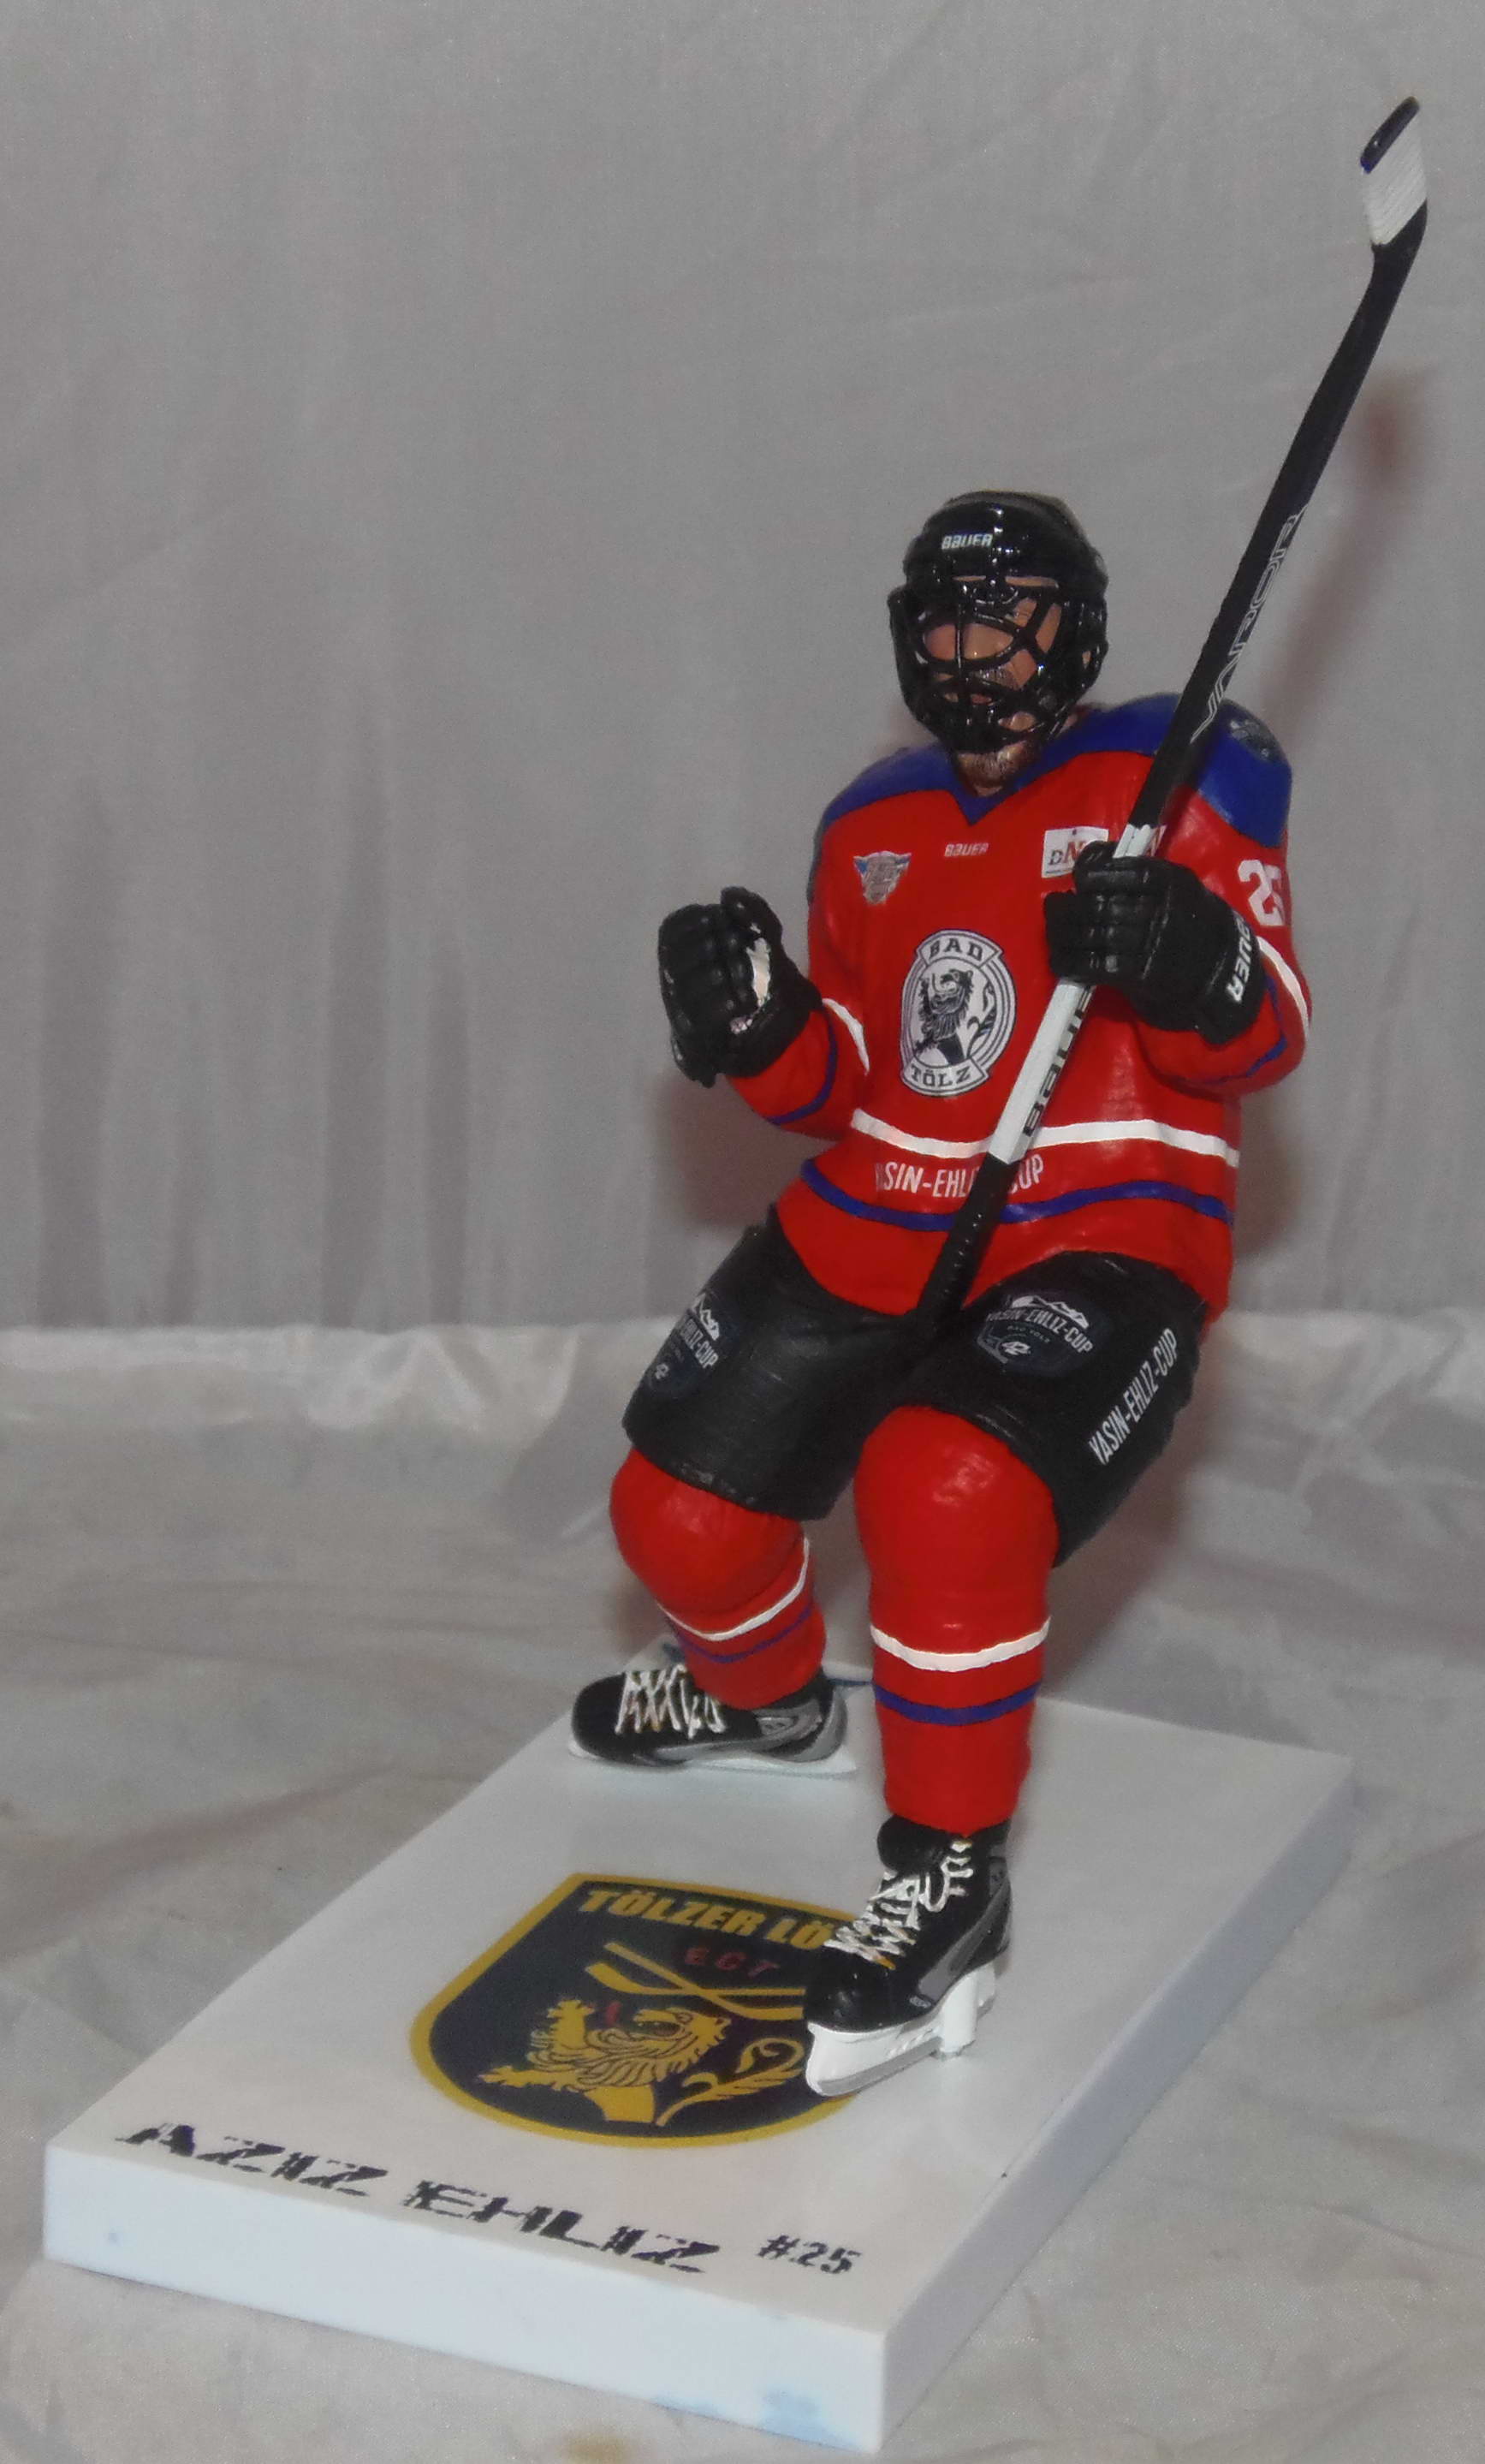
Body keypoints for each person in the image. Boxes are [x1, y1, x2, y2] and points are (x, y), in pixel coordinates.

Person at [570, 491, 1310, 2097]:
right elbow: (853, 1074)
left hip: (1101, 1214)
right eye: (947, 620)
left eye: (1005, 618)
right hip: (885, 1208)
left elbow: (1263, 1031)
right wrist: (763, 1025)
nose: (971, 651)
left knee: (945, 1481)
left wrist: (1189, 957)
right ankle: (767, 1707)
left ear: (1075, 632)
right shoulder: (871, 821)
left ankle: (951, 1881)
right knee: (675, 1516)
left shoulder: (1178, 773)